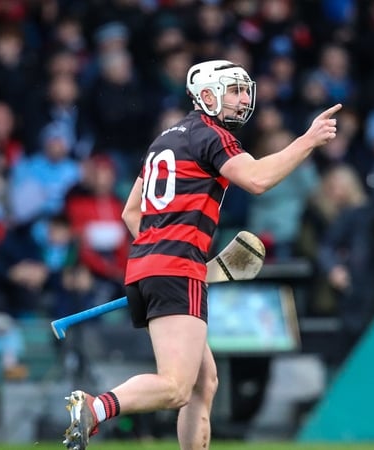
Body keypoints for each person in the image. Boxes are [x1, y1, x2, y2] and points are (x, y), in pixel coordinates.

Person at [62, 59, 341, 450]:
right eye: (234, 91)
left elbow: (132, 212)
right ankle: (96, 407)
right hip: (176, 271)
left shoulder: (165, 139)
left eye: (245, 90)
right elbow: (257, 179)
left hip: (146, 267)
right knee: (176, 387)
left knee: (202, 382)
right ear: (206, 96)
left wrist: (163, 254)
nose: (243, 99)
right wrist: (308, 140)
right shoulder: (212, 135)